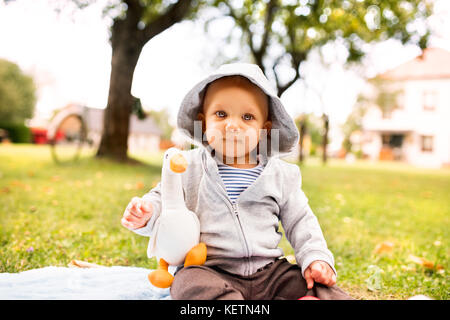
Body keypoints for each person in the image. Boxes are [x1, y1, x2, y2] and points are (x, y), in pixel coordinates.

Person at [121, 63, 353, 300]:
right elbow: (165, 198)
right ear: (203, 122)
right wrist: (146, 212)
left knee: (319, 287)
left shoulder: (282, 176)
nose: (232, 125)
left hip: (270, 273)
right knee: (187, 282)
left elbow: (301, 221)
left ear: (264, 129)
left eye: (247, 117)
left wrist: (315, 257)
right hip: (210, 270)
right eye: (221, 114)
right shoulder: (187, 166)